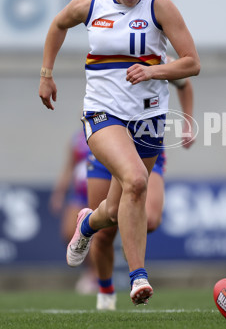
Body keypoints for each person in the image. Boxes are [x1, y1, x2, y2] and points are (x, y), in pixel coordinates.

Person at [38, 0, 200, 306]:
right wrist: (46, 73)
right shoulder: (90, 6)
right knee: (136, 180)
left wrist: (154, 72)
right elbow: (57, 25)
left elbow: (192, 63)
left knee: (116, 206)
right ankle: (137, 277)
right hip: (102, 113)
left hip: (149, 119)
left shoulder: (160, 6)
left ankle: (88, 223)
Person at [88, 72, 195, 311]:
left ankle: (134, 263)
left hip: (147, 145)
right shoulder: (111, 50)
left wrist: (188, 123)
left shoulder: (162, 58)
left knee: (151, 219)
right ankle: (105, 292)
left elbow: (185, 81)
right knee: (105, 229)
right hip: (110, 145)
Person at [48, 129, 97, 294]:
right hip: (79, 194)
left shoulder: (107, 132)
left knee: (99, 237)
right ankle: (91, 270)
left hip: (98, 192)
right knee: (69, 233)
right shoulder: (76, 139)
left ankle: (96, 275)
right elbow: (69, 167)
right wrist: (59, 192)